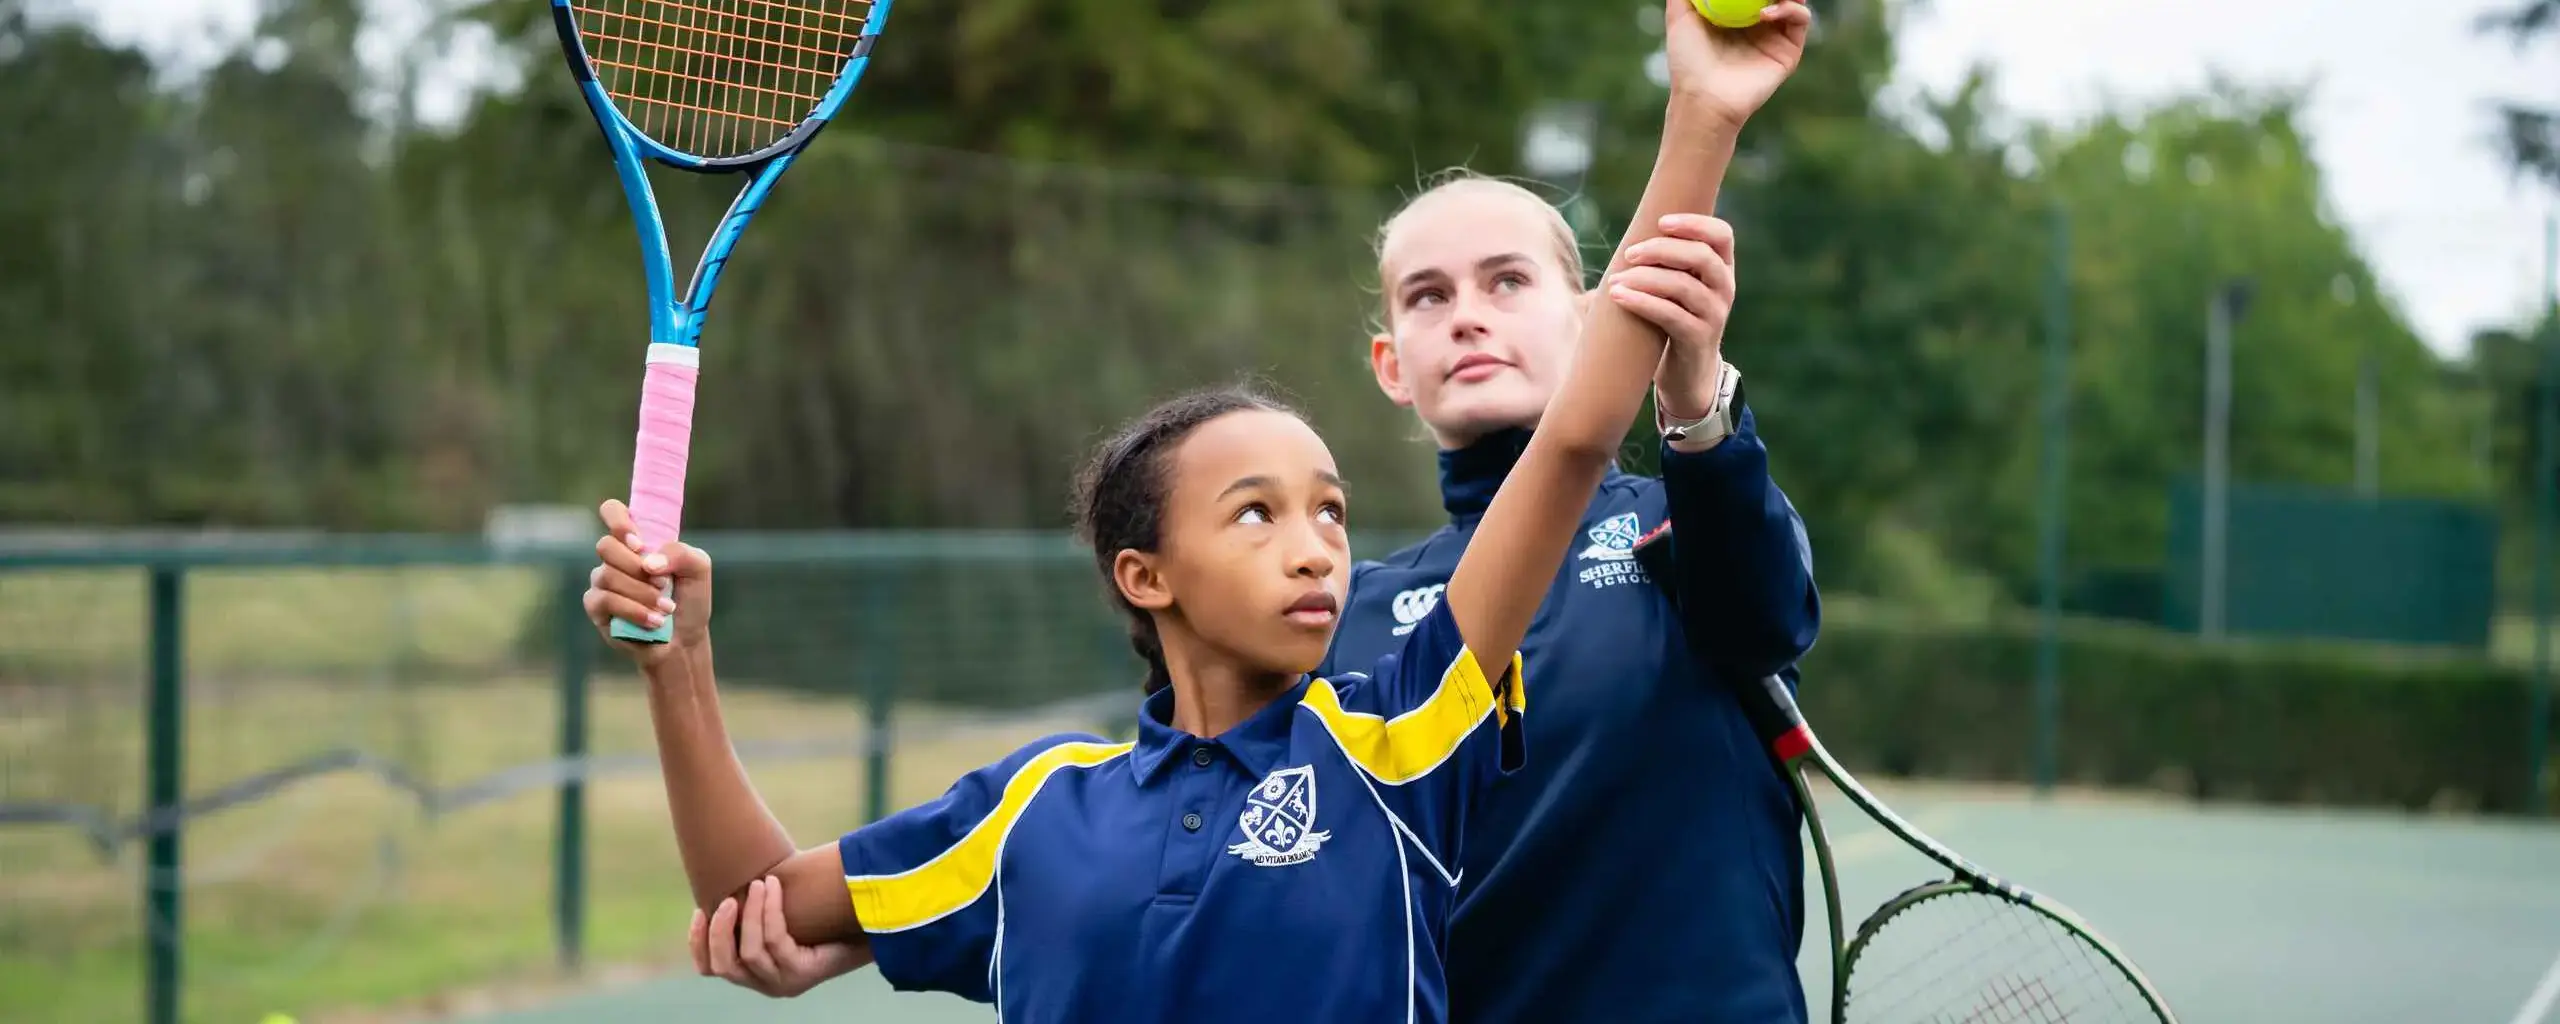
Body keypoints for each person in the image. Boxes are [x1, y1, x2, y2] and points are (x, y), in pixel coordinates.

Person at [587, 5, 1803, 1020]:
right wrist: (679, 664)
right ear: (1144, 574)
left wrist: (1701, 114)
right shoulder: (1032, 811)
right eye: (1256, 514)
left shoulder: (1392, 744)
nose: (1317, 543)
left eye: (1329, 510)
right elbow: (759, 901)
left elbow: (1583, 432)